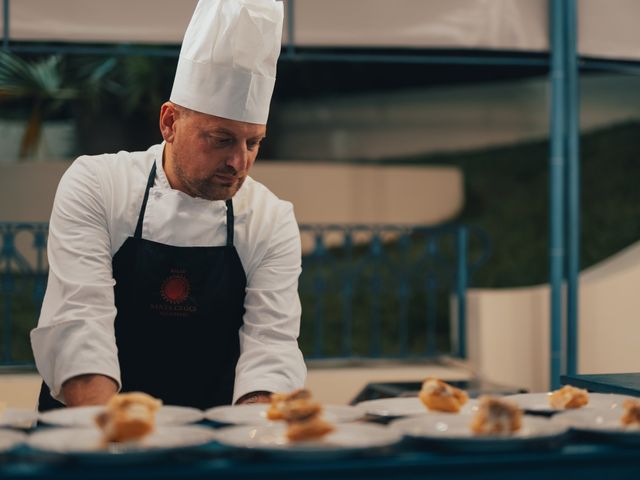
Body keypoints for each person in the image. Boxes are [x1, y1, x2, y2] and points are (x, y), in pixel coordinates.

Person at [31, 0, 306, 411]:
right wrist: (113, 441)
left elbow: (270, 349)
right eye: (220, 139)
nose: (238, 163)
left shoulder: (270, 218)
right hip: (90, 435)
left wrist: (254, 442)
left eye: (253, 143)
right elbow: (79, 324)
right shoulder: (97, 184)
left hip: (209, 445)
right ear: (169, 122)